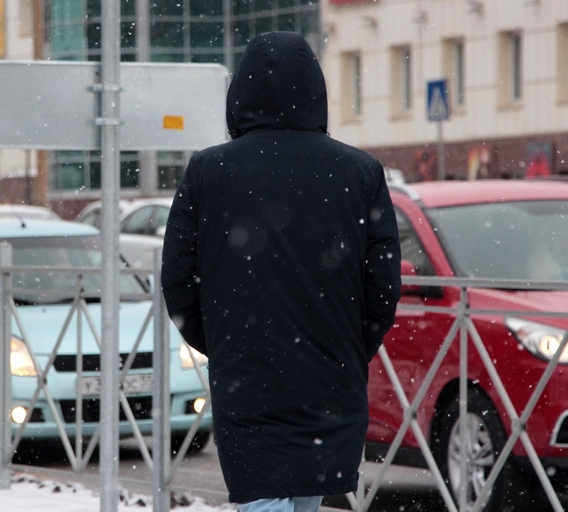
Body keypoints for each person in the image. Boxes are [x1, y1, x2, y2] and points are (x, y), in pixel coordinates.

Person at [160, 32, 401, 512]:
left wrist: (224, 341)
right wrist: (349, 347)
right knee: (308, 496)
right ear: (316, 90)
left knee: (261, 496)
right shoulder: (360, 172)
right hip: (329, 379)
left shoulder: (209, 172)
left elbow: (177, 280)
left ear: (240, 93)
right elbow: (384, 286)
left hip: (247, 379)